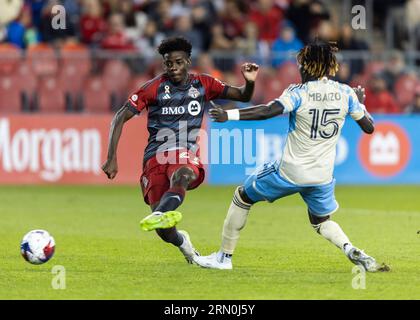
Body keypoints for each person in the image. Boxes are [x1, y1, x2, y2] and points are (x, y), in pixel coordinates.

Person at [194, 40, 390, 272]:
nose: (299, 69)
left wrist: (231, 115)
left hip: (290, 171)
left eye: (302, 65)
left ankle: (223, 258)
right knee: (321, 221)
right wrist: (361, 104)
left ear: (308, 67)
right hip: (322, 176)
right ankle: (350, 248)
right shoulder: (346, 93)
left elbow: (268, 111)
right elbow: (369, 127)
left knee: (242, 196)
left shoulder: (299, 92)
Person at [102, 36, 259, 264]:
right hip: (156, 156)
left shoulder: (205, 84)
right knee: (166, 233)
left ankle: (160, 213)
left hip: (183, 152)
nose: (173, 67)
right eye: (168, 63)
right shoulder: (153, 88)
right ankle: (182, 241)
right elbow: (119, 117)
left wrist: (250, 81)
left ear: (188, 61)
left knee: (183, 173)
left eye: (178, 62)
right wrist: (111, 158)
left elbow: (244, 95)